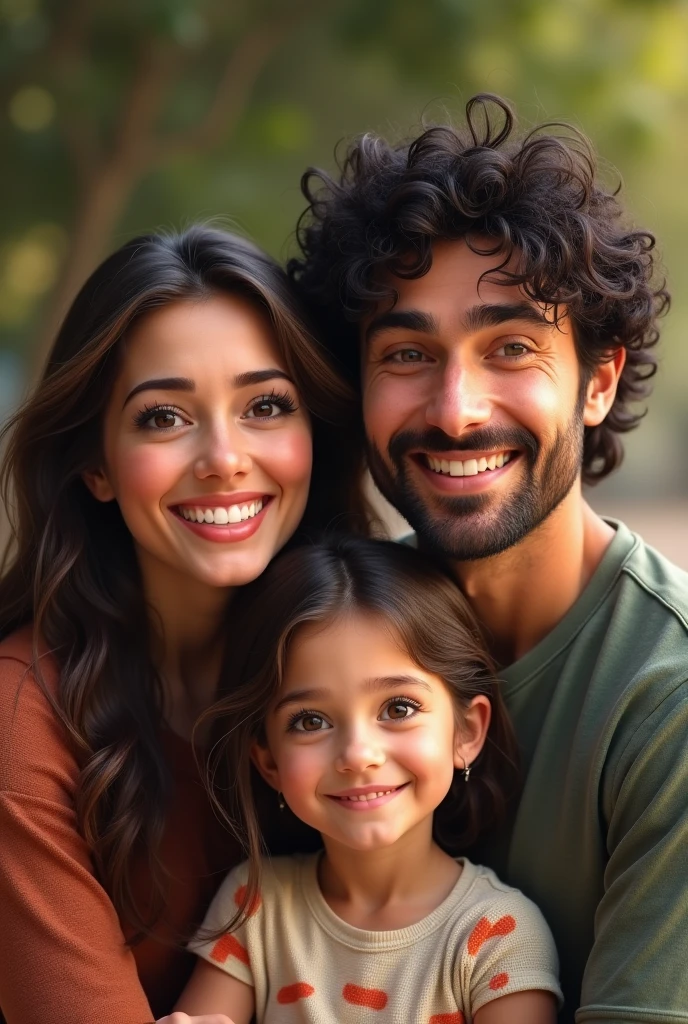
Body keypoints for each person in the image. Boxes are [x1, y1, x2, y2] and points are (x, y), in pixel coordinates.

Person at [287, 95, 688, 1022]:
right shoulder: (315, 633)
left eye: (510, 346)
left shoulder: (664, 698)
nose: (456, 407)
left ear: (598, 380)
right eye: (405, 354)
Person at [0, 226, 367, 1024]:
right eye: (164, 417)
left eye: (266, 405)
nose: (224, 458)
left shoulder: (382, 666)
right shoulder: (21, 722)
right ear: (94, 464)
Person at [161, 537, 562, 1024]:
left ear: (467, 731)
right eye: (310, 721)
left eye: (398, 709)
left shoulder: (498, 938)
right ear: (267, 761)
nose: (357, 755)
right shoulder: (255, 905)